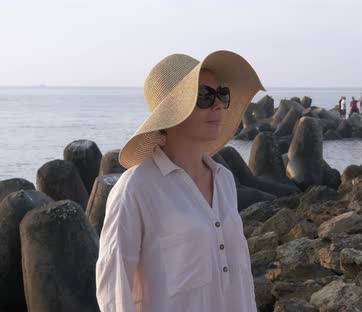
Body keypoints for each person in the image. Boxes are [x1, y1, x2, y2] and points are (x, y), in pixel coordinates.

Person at [96, 51, 264, 312]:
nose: (218, 105)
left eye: (222, 94)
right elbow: (114, 294)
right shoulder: (135, 190)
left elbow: (241, 276)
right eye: (205, 96)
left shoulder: (225, 180)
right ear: (172, 112)